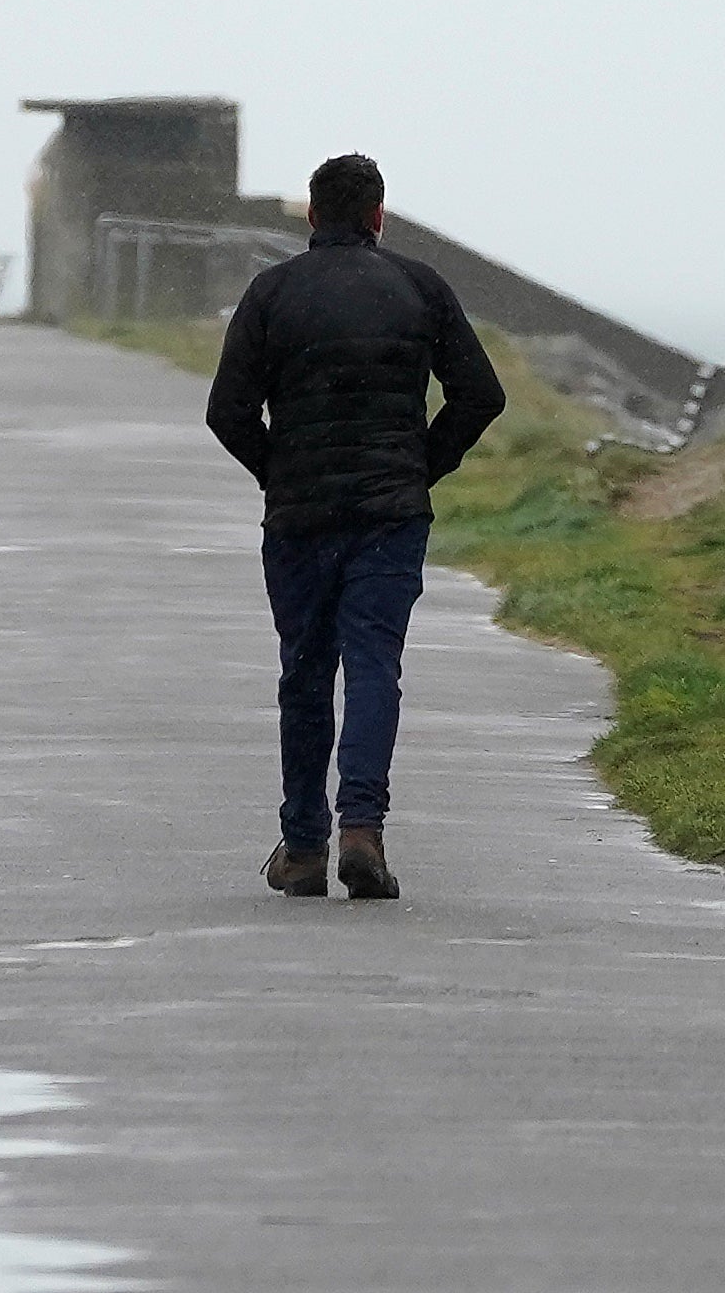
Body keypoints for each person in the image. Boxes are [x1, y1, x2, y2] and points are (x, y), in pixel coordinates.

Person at [204, 152, 504, 901]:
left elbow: (226, 411)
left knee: (305, 671)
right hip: (389, 517)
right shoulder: (418, 286)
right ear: (378, 216)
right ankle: (362, 831)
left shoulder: (271, 291)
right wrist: (418, 467)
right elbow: (481, 395)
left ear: (312, 215)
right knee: (374, 665)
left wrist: (279, 471)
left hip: (301, 516)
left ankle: (303, 847)